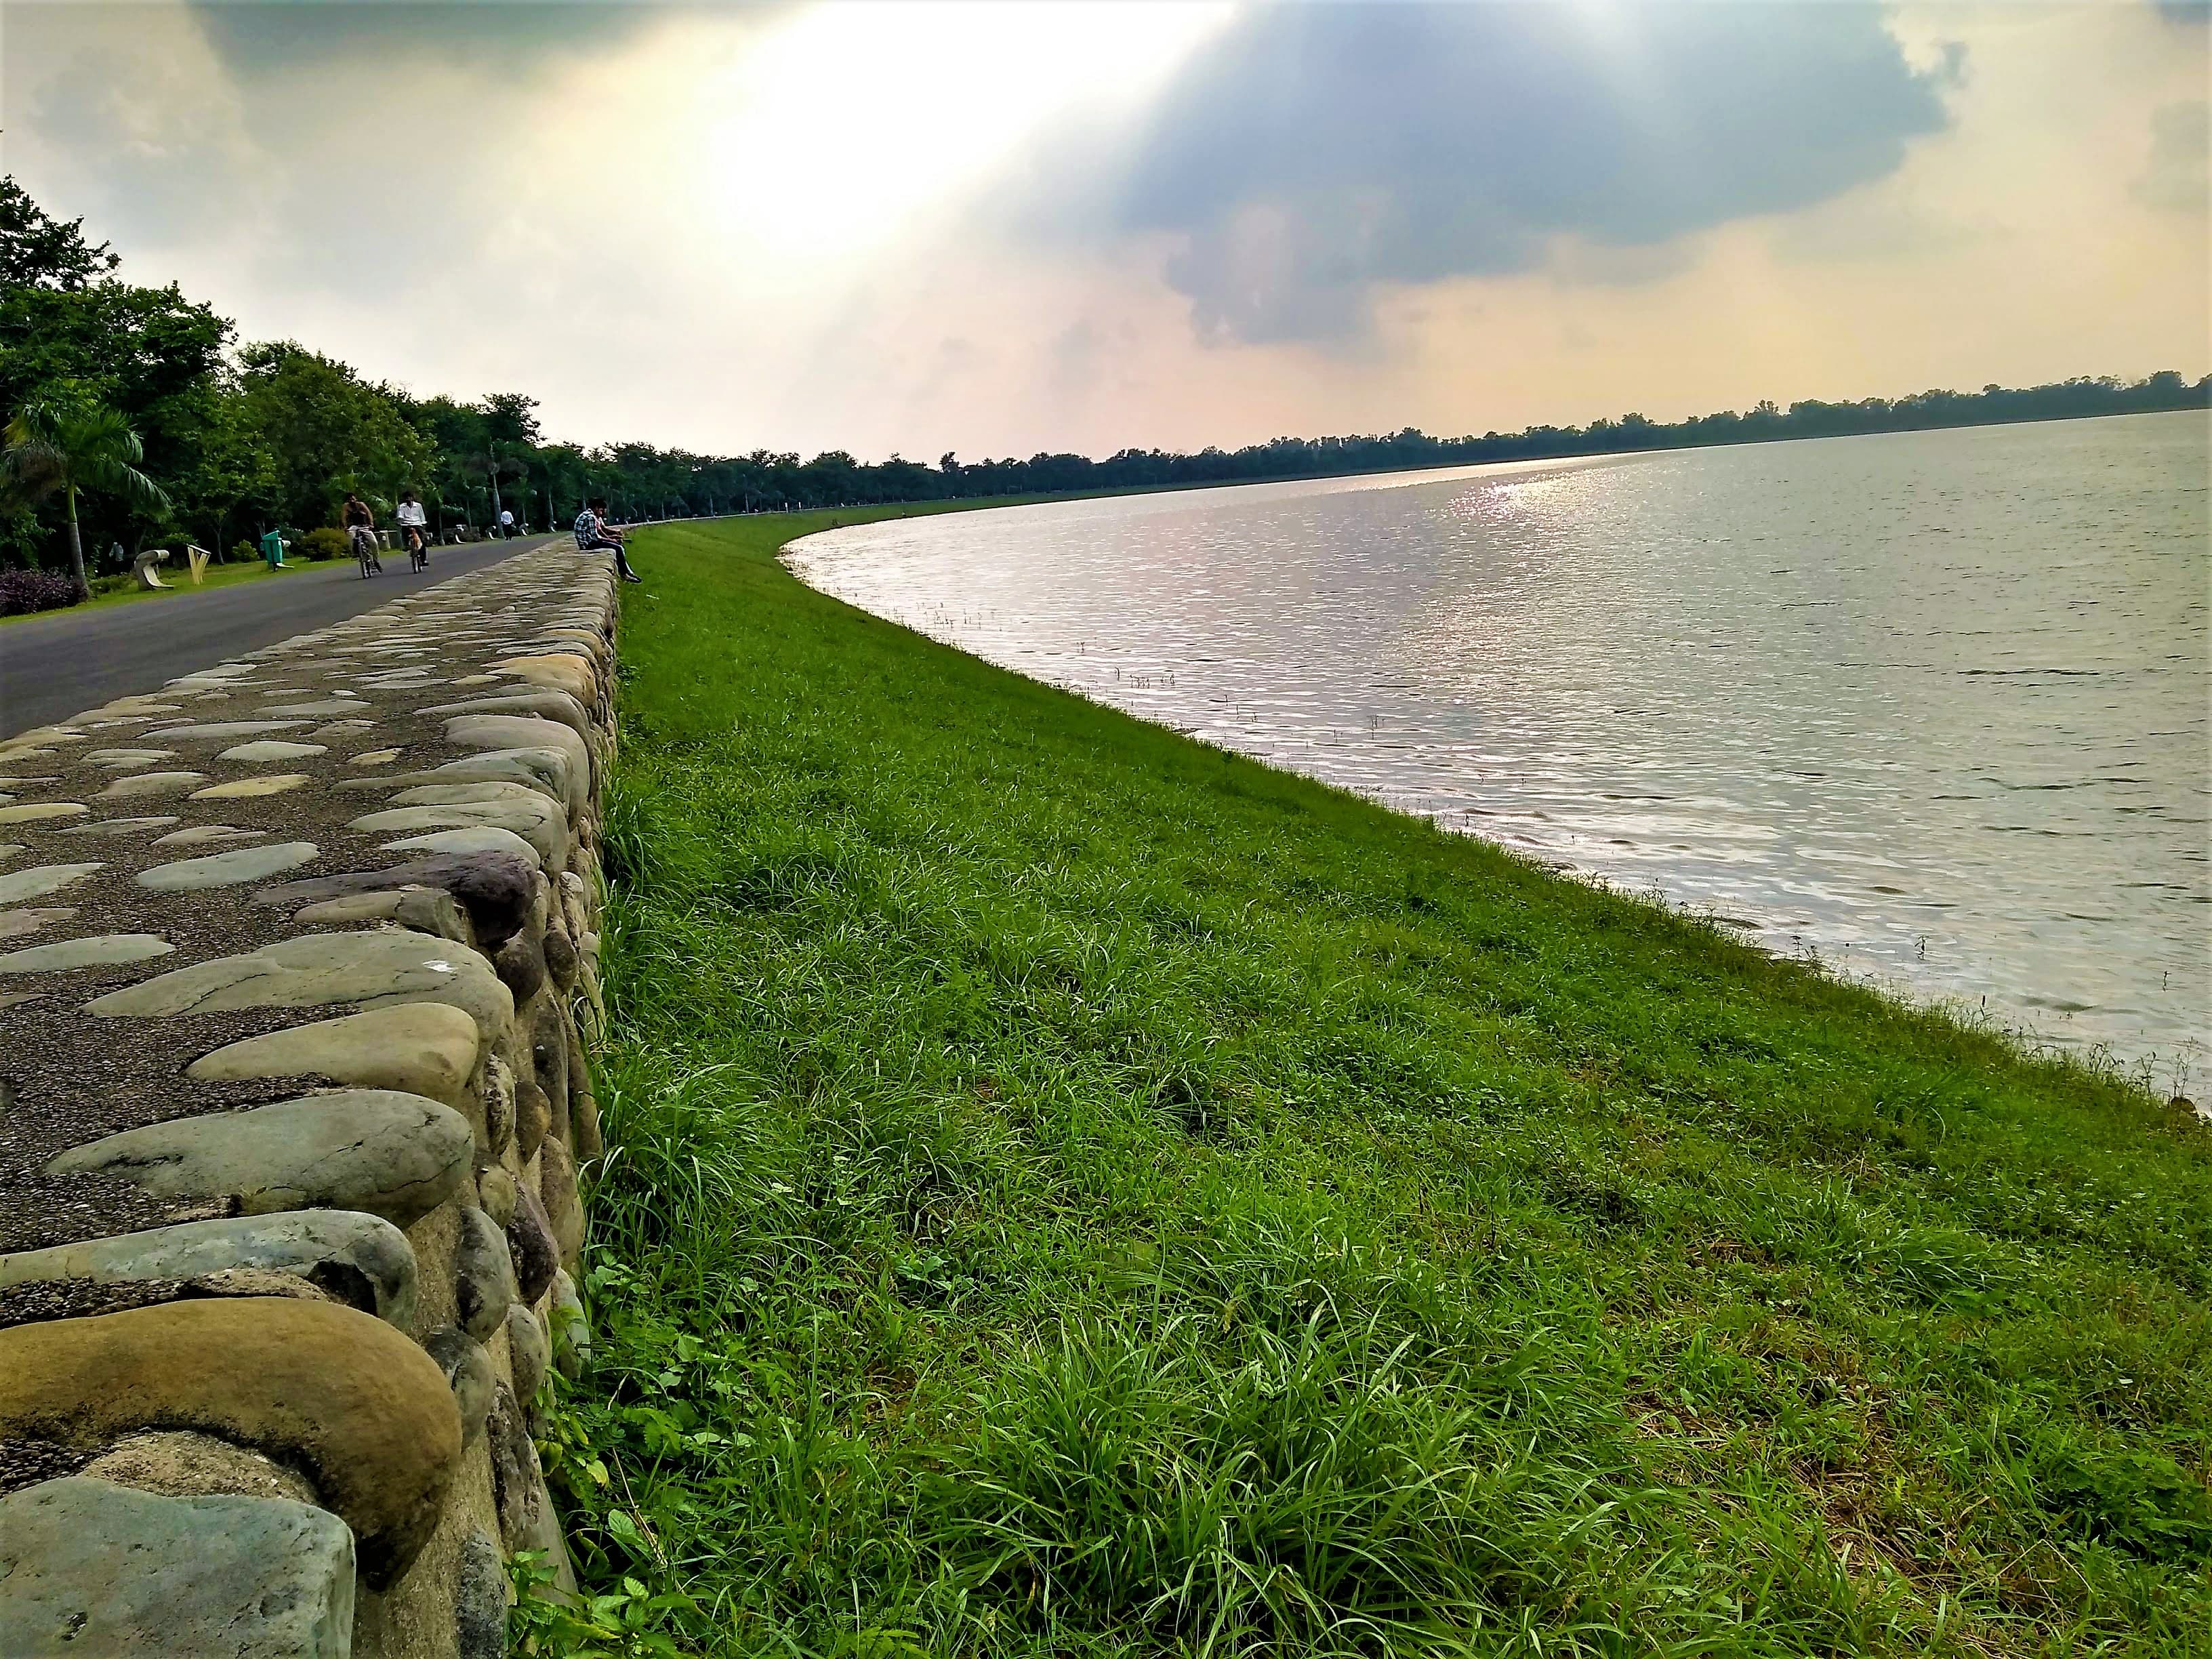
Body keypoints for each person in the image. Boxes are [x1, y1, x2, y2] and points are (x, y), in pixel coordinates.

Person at [573, 497, 641, 583]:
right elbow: (596, 537)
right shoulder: (590, 517)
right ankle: (624, 574)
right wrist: (611, 540)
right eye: (601, 511)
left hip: (588, 542)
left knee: (617, 546)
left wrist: (611, 538)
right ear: (596, 508)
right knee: (618, 548)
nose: (602, 513)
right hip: (587, 544)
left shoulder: (588, 515)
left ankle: (627, 572)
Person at [342, 491, 380, 574]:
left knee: (374, 542)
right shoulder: (346, 507)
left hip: (364, 526)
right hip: (354, 526)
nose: (352, 501)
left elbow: (369, 513)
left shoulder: (361, 505)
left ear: (355, 498)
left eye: (353, 499)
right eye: (350, 499)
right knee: (351, 536)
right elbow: (344, 517)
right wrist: (345, 526)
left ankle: (376, 561)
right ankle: (354, 552)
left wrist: (371, 524)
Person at [396, 491, 430, 569]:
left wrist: (423, 524)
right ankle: (406, 545)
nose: (408, 499)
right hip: (406, 524)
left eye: (409, 497)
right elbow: (400, 516)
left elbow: (422, 516)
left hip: (417, 524)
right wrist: (399, 520)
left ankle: (423, 560)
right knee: (404, 533)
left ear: (412, 498)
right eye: (406, 498)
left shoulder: (418, 506)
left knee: (422, 541)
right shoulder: (401, 507)